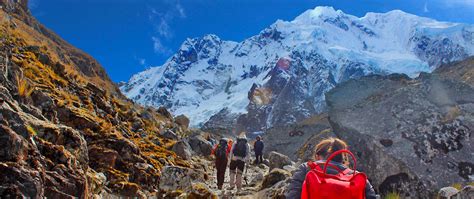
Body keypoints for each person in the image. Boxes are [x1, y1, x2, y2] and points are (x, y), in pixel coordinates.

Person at [285, 137, 377, 199]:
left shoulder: (307, 168)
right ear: (343, 158)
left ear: (317, 156)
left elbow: (293, 196)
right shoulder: (356, 176)